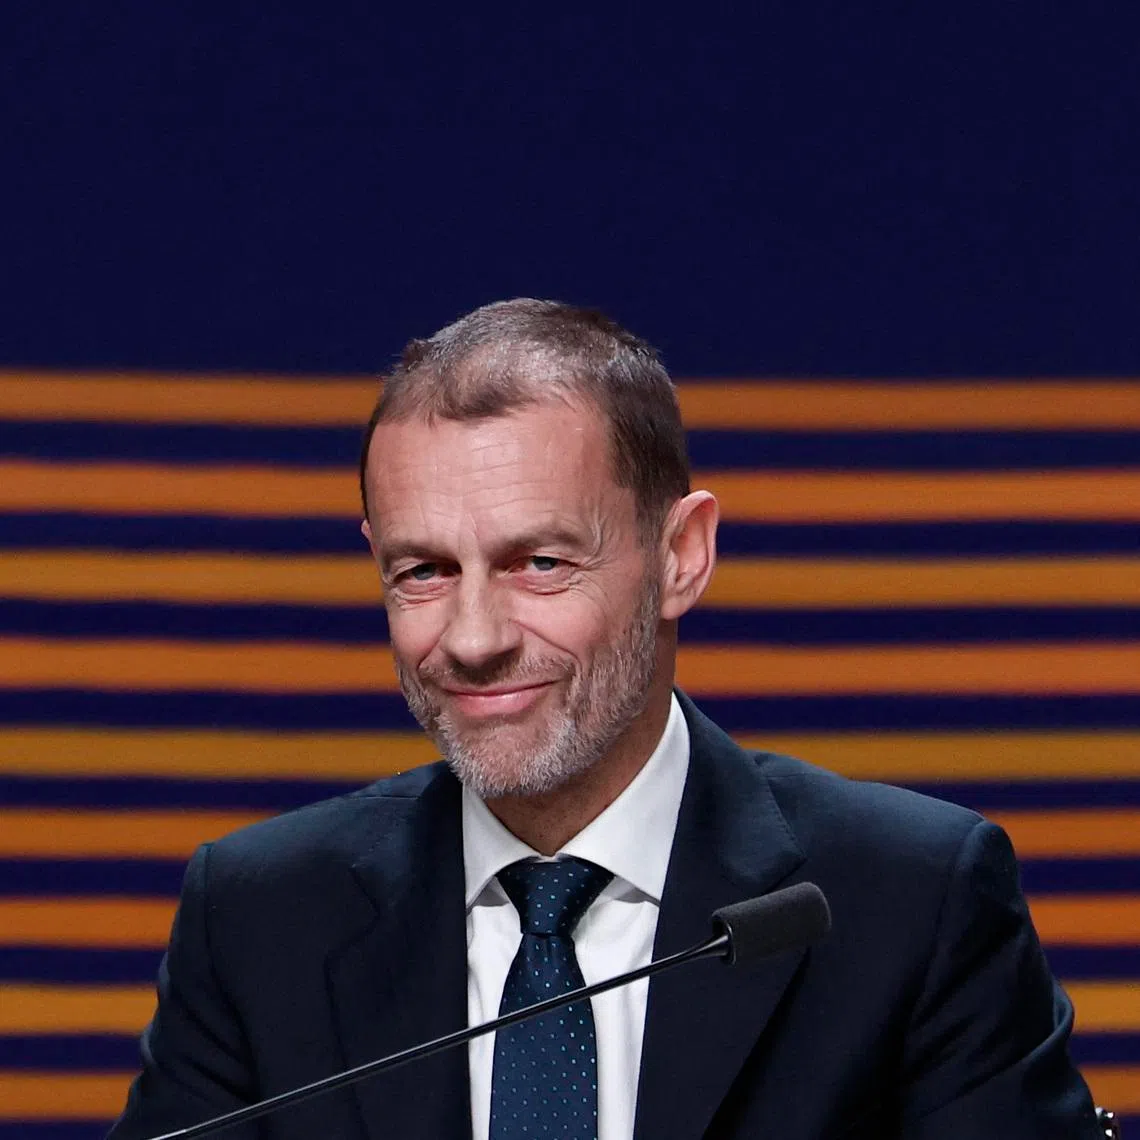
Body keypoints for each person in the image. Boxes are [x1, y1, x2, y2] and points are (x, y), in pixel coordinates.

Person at [108, 299, 1101, 1140]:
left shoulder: (910, 901)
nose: (474, 636)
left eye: (540, 562)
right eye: (423, 571)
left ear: (681, 556)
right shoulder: (256, 918)